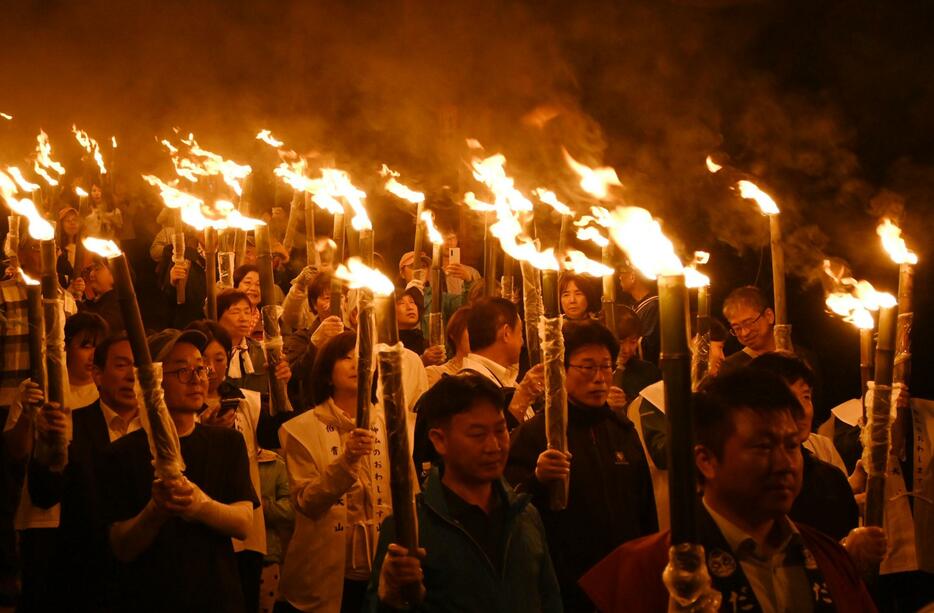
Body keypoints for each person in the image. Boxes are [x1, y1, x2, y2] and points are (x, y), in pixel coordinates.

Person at [579, 368, 878, 613]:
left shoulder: (828, 558)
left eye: (791, 446)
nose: (785, 463)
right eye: (763, 446)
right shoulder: (643, 571)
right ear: (706, 460)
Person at [366, 373, 562, 613]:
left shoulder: (525, 516)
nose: (494, 446)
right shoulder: (409, 527)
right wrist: (390, 599)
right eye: (477, 434)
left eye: (500, 431)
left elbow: (549, 600)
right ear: (439, 440)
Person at [99, 328, 257, 613]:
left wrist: (199, 505)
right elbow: (121, 546)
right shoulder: (121, 453)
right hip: (149, 597)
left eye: (201, 368)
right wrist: (155, 511)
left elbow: (243, 522)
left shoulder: (227, 442)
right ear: (154, 380)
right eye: (183, 371)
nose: (197, 379)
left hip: (217, 597)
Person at [507, 320, 657, 611]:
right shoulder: (537, 433)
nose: (600, 378)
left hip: (623, 581)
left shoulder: (622, 430)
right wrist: (538, 480)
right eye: (588, 367)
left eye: (606, 367)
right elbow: (509, 504)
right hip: (564, 584)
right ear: (561, 369)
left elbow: (644, 508)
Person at [278, 331, 392, 612]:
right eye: (345, 357)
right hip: (324, 573)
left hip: (382, 570)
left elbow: (407, 494)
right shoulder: (300, 431)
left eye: (362, 356)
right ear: (327, 374)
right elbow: (307, 501)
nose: (357, 363)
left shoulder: (392, 424)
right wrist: (347, 460)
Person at [27, 333, 141, 612]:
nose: (131, 376)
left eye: (138, 367)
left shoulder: (161, 430)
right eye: (122, 365)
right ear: (98, 375)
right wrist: (46, 448)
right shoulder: (73, 425)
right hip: (87, 575)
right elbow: (44, 495)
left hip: (146, 578)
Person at [187, 320, 268, 613]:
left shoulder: (247, 402)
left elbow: (279, 430)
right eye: (202, 360)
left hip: (246, 530)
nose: (210, 368)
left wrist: (281, 382)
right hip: (202, 529)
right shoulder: (179, 411)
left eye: (219, 359)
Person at [458, 297, 543, 427]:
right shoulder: (470, 387)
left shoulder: (507, 379)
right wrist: (522, 397)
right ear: (506, 333)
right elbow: (493, 442)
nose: (522, 342)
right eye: (520, 333)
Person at [217, 289, 292, 396]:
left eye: (247, 312)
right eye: (235, 312)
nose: (243, 318)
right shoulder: (208, 352)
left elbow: (272, 393)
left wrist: (282, 377)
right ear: (217, 316)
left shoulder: (262, 351)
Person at [257, 449, 293, 613]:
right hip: (226, 552)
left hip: (267, 554)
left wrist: (264, 506)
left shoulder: (276, 465)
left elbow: (290, 510)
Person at [610, 305, 661, 407]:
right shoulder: (595, 373)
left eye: (633, 342)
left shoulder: (648, 371)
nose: (627, 350)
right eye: (621, 342)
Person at [64, 311, 109, 410]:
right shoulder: (43, 387)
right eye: (86, 347)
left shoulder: (111, 391)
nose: (94, 356)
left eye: (100, 347)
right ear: (66, 346)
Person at [618, 261, 659, 365]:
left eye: (622, 272)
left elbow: (648, 345)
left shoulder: (654, 306)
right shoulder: (633, 306)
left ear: (632, 276)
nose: (619, 277)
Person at [426, 306, 471, 387]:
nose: (478, 335)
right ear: (453, 334)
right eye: (471, 329)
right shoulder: (436, 374)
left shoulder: (490, 373)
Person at [78, 260, 126, 334]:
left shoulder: (118, 305)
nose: (91, 274)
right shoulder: (92, 303)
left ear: (113, 275)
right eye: (91, 269)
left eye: (97, 269)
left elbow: (101, 328)